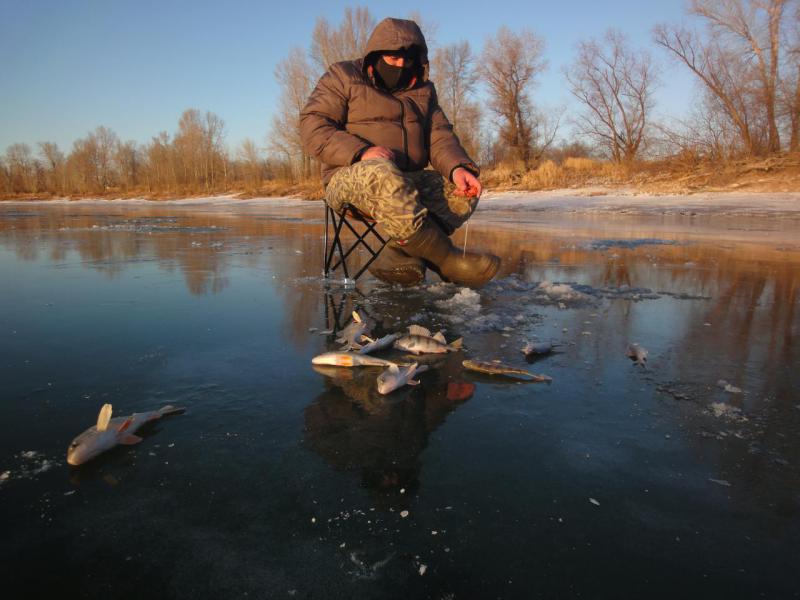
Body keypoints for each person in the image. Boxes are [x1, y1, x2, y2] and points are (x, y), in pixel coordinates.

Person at [300, 17, 500, 287]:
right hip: (349, 179)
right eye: (393, 59)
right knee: (381, 173)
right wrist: (361, 152)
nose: (400, 65)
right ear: (375, 54)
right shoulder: (344, 76)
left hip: (406, 182)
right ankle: (448, 261)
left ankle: (396, 255)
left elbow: (439, 136)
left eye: (407, 60)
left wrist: (457, 168)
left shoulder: (424, 91)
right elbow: (313, 124)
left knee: (463, 191)